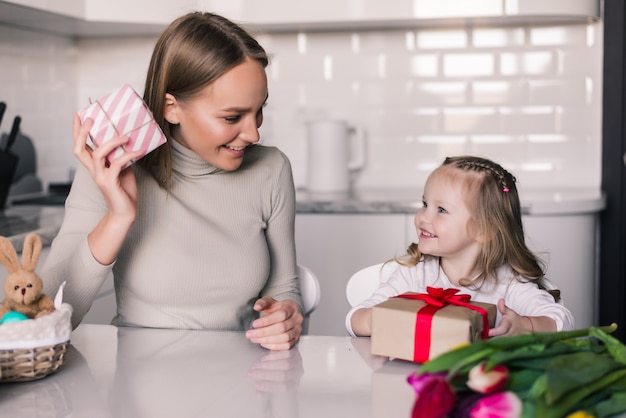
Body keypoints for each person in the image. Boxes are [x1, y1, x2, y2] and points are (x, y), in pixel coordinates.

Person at [42, 12, 304, 351]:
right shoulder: (111, 171)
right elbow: (45, 316)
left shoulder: (272, 169)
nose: (254, 133)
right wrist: (118, 219)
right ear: (171, 108)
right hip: (141, 390)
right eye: (233, 117)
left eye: (259, 110)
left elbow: (284, 288)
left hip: (244, 384)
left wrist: (287, 314)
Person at [347, 155, 575, 337]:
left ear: (485, 230)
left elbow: (561, 321)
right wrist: (376, 320)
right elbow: (354, 317)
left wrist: (525, 325)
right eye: (425, 204)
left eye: (441, 210)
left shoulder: (508, 284)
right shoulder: (414, 275)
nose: (422, 218)